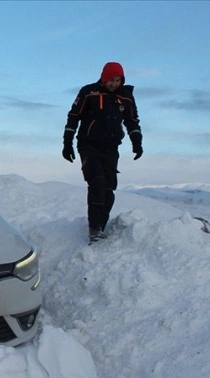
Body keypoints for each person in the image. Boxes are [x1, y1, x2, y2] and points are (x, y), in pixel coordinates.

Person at [62, 61, 143, 243]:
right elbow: (73, 116)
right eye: (111, 80)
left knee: (108, 187)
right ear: (104, 78)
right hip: (88, 145)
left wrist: (137, 142)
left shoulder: (126, 97)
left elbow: (132, 121)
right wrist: (67, 142)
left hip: (111, 148)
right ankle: (95, 228)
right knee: (96, 182)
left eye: (118, 80)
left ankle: (101, 226)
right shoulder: (89, 92)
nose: (114, 84)